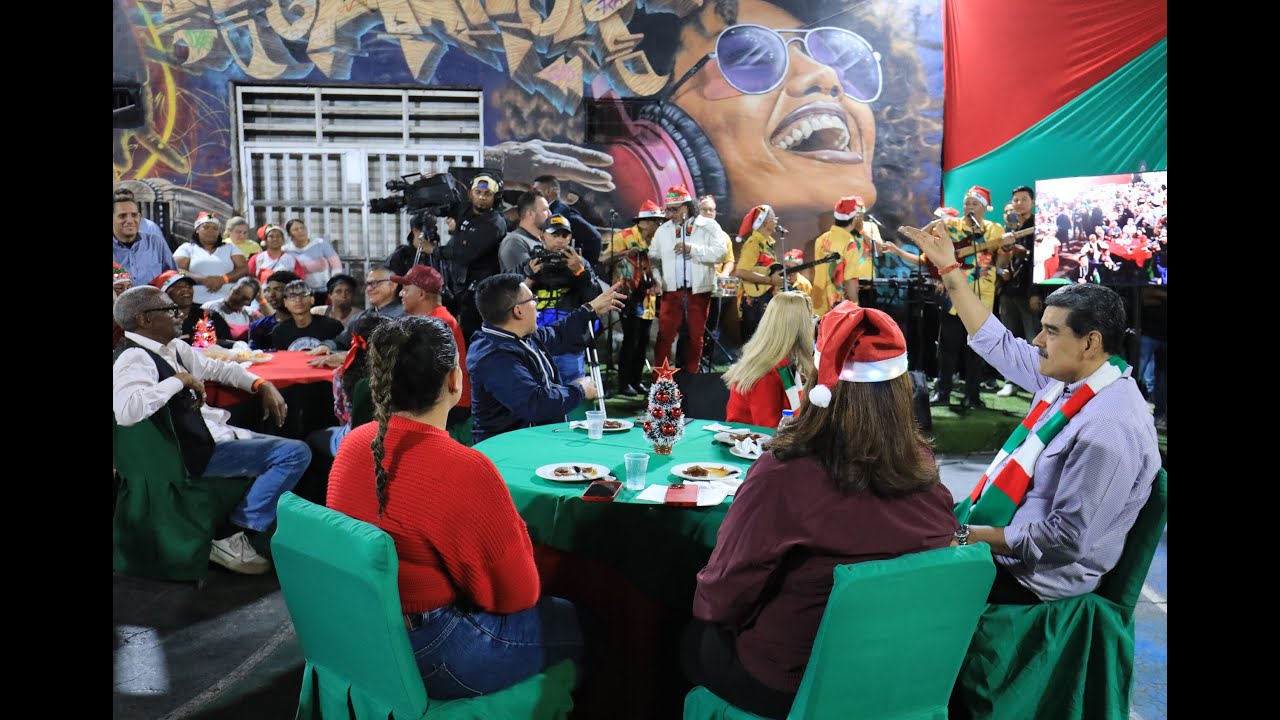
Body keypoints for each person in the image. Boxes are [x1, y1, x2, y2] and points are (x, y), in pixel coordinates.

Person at [684, 301, 958, 718]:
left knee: (684, 631)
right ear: (902, 388)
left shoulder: (786, 473)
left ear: (816, 379)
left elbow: (722, 596)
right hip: (901, 675)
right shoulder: (924, 469)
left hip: (794, 681)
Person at [898, 223, 1160, 604]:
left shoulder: (1107, 425)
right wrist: (950, 270)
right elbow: (996, 340)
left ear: (1090, 342)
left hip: (1032, 578)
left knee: (900, 579)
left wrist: (969, 536)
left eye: (1050, 332)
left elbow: (1065, 540)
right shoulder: (1070, 382)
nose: (1037, 341)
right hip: (1007, 549)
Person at [326, 315, 585, 699]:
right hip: (433, 649)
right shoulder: (465, 468)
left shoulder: (352, 444)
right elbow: (518, 596)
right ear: (453, 380)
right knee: (588, 623)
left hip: (362, 631)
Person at [113, 286, 311, 575]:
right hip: (189, 452)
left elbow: (220, 369)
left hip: (209, 434)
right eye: (169, 310)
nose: (179, 314)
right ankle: (233, 532)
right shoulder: (135, 358)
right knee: (295, 453)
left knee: (281, 443)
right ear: (144, 319)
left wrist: (261, 384)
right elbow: (127, 411)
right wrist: (178, 381)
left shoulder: (175, 348)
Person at [467, 273, 624, 443]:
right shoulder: (495, 357)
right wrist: (579, 390)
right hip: (508, 452)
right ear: (518, 311)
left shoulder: (518, 337)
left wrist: (589, 309)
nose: (537, 304)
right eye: (532, 299)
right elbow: (536, 403)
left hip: (529, 442)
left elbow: (557, 333)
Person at [300, 312, 392, 501]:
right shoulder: (402, 372)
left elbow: (342, 418)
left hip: (356, 441)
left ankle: (320, 496)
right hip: (395, 440)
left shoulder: (343, 374)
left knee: (311, 439)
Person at [650, 184, 730, 374]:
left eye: (674, 209)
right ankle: (661, 381)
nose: (670, 214)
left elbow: (721, 253)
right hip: (671, 290)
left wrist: (693, 250)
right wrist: (657, 279)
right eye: (668, 209)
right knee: (665, 336)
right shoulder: (664, 230)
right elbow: (653, 257)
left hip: (699, 290)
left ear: (687, 207)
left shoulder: (708, 225)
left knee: (696, 336)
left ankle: (693, 378)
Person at [523, 213, 603, 385]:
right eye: (554, 234)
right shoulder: (530, 262)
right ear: (542, 236)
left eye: (564, 235)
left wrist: (579, 272)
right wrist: (529, 278)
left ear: (570, 238)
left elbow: (595, 300)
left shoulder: (581, 264)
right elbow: (511, 301)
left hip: (569, 344)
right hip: (536, 343)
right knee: (537, 395)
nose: (559, 240)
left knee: (572, 395)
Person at [392, 264, 472, 429]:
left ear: (421, 294)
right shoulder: (435, 319)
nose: (401, 294)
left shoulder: (439, 322)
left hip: (448, 407)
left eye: (406, 289)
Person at [722, 291, 815, 428]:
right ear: (799, 328)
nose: (814, 324)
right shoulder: (766, 373)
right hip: (753, 445)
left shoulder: (786, 364)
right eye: (811, 319)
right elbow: (768, 432)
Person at [600, 199, 663, 396]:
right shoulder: (624, 236)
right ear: (644, 222)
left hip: (648, 297)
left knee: (643, 340)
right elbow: (603, 259)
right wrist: (626, 253)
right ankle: (624, 382)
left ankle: (636, 381)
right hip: (628, 296)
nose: (659, 225)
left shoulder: (657, 241)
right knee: (631, 339)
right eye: (656, 221)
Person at [438, 174, 509, 343]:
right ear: (471, 194)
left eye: (488, 194)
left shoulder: (495, 223)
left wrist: (434, 250)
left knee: (472, 338)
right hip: (459, 286)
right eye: (478, 192)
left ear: (496, 197)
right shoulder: (464, 210)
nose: (482, 197)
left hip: (479, 292)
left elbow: (465, 254)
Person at [994, 186, 1043, 397]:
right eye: (1016, 200)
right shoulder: (1008, 230)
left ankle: (1040, 383)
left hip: (1028, 292)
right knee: (1009, 339)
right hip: (1007, 292)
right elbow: (999, 262)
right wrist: (1001, 268)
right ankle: (1010, 382)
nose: (1019, 203)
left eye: (1024, 199)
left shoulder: (1039, 227)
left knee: (1035, 339)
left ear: (1032, 202)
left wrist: (1036, 293)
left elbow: (1038, 262)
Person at [810, 196, 883, 315]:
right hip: (844, 294)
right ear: (855, 216)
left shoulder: (821, 239)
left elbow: (879, 249)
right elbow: (849, 280)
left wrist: (862, 231)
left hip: (827, 296)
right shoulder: (848, 242)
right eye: (860, 213)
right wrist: (855, 306)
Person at [732, 205, 786, 344]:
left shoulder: (767, 243)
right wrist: (769, 280)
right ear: (766, 222)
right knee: (753, 342)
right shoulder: (754, 243)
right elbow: (741, 271)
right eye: (774, 218)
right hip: (753, 303)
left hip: (763, 298)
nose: (776, 222)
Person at [174, 212, 249, 305]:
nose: (211, 231)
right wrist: (201, 279)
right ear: (197, 230)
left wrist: (223, 279)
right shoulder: (187, 248)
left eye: (215, 228)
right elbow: (177, 271)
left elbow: (244, 269)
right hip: (194, 302)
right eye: (206, 227)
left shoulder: (230, 248)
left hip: (227, 302)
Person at [151, 271, 234, 349]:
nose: (186, 290)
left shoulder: (209, 316)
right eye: (178, 287)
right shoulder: (156, 320)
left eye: (188, 286)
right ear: (164, 293)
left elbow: (228, 346)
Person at [533, 174, 603, 265]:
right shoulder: (555, 210)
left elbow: (595, 237)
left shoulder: (561, 213)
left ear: (548, 191)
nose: (533, 194)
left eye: (536, 190)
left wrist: (586, 263)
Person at [114, 196, 176, 287]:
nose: (130, 221)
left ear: (139, 218)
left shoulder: (156, 243)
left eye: (134, 215)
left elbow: (173, 275)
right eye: (122, 216)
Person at [271, 280, 344, 352]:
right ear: (285, 302)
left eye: (303, 295)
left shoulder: (333, 326)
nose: (298, 300)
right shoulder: (279, 332)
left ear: (312, 299)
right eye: (292, 296)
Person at [283, 219, 342, 305]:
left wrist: (334, 286)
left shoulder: (320, 244)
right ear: (289, 234)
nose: (300, 231)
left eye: (302, 228)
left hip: (324, 291)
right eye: (296, 229)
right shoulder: (286, 250)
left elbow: (336, 266)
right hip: (300, 294)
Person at [497, 189, 552, 274]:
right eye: (545, 210)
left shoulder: (544, 241)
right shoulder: (514, 242)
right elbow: (522, 280)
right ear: (530, 214)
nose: (550, 214)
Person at [248, 270, 300, 350]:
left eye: (278, 289)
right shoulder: (259, 326)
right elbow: (254, 356)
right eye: (268, 290)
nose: (271, 294)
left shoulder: (309, 324)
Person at [202, 277, 261, 343]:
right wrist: (238, 345)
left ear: (250, 302)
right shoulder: (210, 308)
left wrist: (262, 300)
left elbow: (273, 323)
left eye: (245, 298)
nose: (238, 299)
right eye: (237, 293)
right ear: (231, 288)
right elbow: (206, 339)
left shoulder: (250, 313)